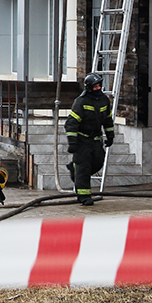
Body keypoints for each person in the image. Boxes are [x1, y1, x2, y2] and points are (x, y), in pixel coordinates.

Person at [64, 73, 115, 206]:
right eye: (95, 86)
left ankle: (74, 168)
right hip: (82, 140)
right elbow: (71, 123)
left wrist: (110, 135)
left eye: (99, 86)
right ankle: (84, 196)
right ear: (89, 88)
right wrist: (72, 142)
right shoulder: (81, 102)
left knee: (98, 162)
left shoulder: (104, 100)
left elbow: (108, 120)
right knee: (84, 168)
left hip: (96, 139)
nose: (98, 88)